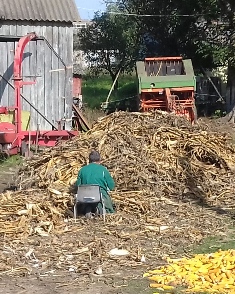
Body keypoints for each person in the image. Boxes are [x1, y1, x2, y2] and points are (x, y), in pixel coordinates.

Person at [76, 151, 115, 216]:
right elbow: (111, 186)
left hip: (84, 197)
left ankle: (87, 209)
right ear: (99, 160)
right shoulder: (103, 170)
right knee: (107, 205)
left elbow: (78, 185)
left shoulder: (82, 170)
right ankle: (99, 209)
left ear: (89, 160)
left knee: (84, 204)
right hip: (99, 195)